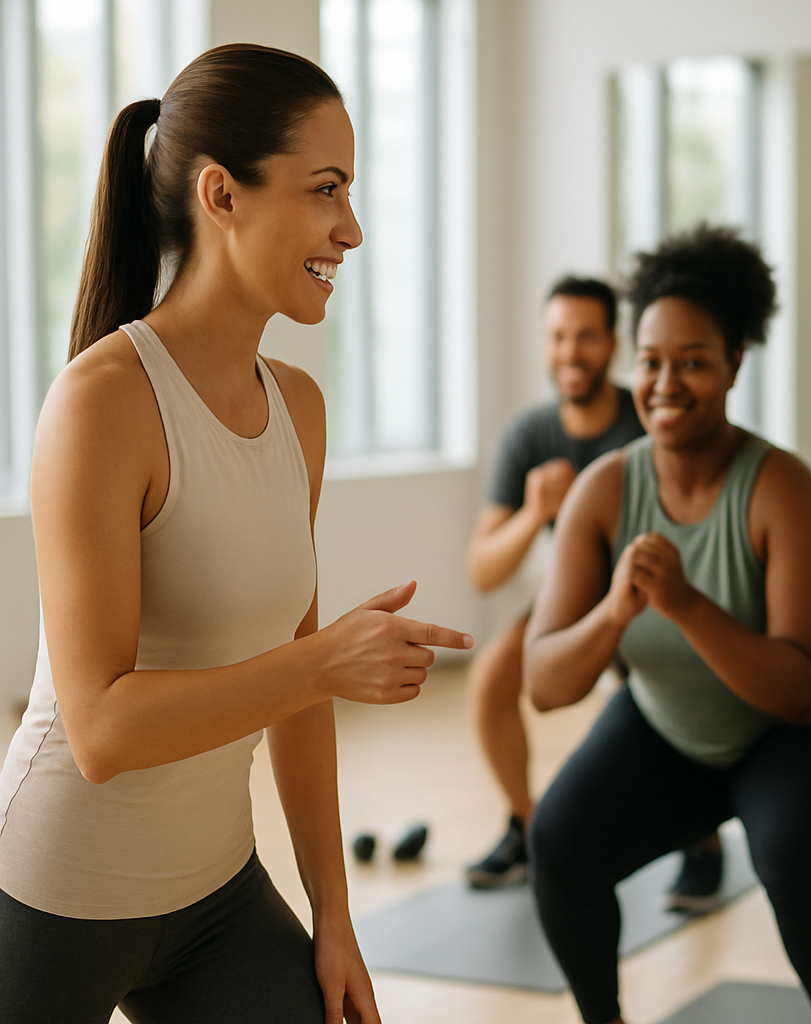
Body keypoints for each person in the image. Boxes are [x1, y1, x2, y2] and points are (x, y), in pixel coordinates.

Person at [0, 45, 473, 1024]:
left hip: (214, 898)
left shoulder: (297, 406)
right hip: (54, 896)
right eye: (325, 189)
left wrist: (333, 914)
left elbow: (302, 691)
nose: (351, 228)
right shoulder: (103, 403)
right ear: (223, 195)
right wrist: (321, 662)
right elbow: (100, 729)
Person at [524, 225, 811, 1024]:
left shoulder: (781, 490)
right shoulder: (604, 493)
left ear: (733, 366)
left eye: (693, 361)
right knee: (559, 844)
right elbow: (545, 684)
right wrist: (616, 611)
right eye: (651, 361)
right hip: (675, 722)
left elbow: (795, 691)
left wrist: (685, 603)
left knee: (793, 857)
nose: (666, 382)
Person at [464, 276, 724, 908]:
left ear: (611, 344)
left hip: (653, 597)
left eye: (585, 337)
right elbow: (483, 569)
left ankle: (702, 838)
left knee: (670, 688)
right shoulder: (530, 435)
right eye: (557, 337)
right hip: (572, 598)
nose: (569, 352)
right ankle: (527, 826)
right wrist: (532, 514)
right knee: (495, 674)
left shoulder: (650, 418)